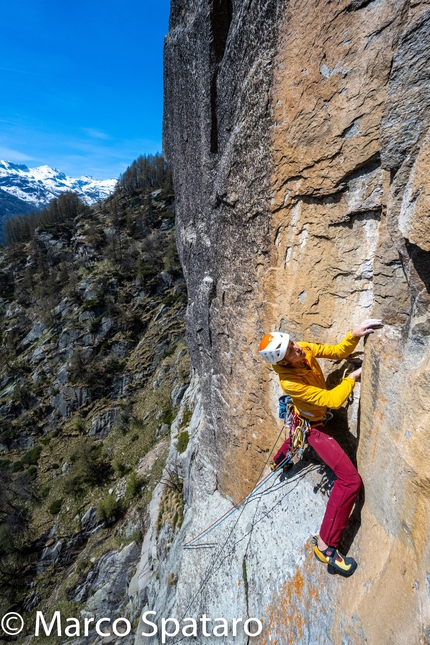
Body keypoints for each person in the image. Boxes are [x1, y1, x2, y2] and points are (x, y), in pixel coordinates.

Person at [259, 319, 382, 577]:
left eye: (292, 343)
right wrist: (351, 378)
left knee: (296, 435)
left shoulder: (302, 349)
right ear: (282, 363)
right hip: (313, 426)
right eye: (291, 351)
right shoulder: (290, 383)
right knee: (349, 481)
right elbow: (332, 400)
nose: (298, 348)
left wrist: (354, 335)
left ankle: (280, 461)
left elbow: (336, 351)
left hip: (304, 417)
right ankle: (325, 547)